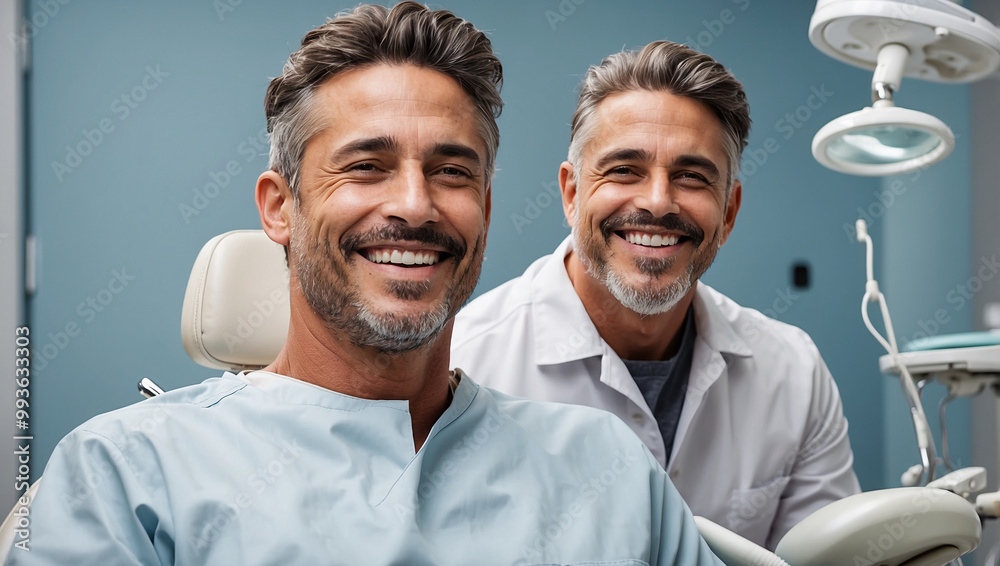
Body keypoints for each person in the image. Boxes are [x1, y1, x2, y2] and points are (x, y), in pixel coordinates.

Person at [9, 5, 724, 565]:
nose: (414, 205)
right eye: (365, 167)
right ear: (279, 208)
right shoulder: (126, 476)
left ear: (485, 208)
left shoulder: (609, 470)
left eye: (451, 172)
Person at [451, 40, 861, 550]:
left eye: (691, 177)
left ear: (729, 212)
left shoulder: (793, 373)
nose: (658, 202)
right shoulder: (464, 365)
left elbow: (830, 557)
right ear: (572, 194)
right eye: (624, 169)